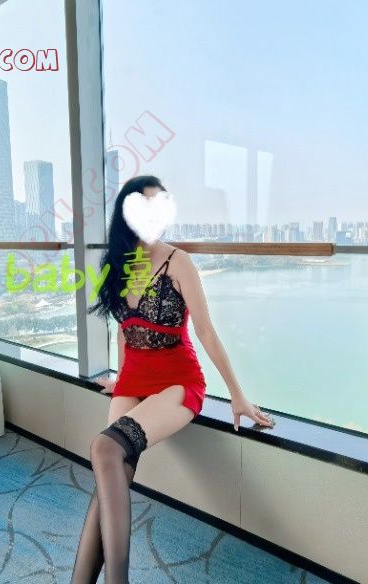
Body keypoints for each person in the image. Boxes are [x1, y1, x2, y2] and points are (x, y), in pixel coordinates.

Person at [70, 175, 275, 584]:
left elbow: (206, 333)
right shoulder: (119, 263)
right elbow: (124, 330)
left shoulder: (178, 262)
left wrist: (238, 396)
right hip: (133, 380)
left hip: (177, 382)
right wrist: (119, 378)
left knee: (104, 449)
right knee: (112, 469)